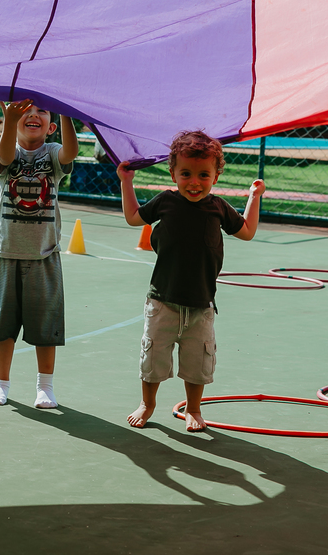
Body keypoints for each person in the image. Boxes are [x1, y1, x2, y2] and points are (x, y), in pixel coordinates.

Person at [116, 130, 265, 432]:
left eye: (203, 175)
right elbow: (133, 217)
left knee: (197, 362)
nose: (194, 182)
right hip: (163, 301)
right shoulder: (165, 202)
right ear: (172, 173)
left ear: (216, 177)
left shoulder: (218, 208)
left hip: (201, 304)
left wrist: (253, 197)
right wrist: (126, 181)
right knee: (154, 357)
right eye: (186, 174)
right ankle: (147, 404)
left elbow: (247, 231)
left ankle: (193, 409)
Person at [0, 99, 78, 409]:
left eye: (43, 110)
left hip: (44, 254)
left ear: (51, 126)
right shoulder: (8, 151)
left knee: (45, 328)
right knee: (3, 327)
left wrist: (66, 111)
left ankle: (45, 386)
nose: (33, 114)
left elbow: (70, 152)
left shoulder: (51, 155)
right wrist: (8, 121)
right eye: (26, 109)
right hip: (6, 253)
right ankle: (0, 384)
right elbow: (6, 154)